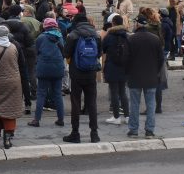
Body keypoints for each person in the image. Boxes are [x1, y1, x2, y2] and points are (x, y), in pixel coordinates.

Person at [63, 12, 103, 143]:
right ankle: (94, 133)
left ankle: (75, 133)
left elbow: (66, 52)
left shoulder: (73, 35)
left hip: (77, 73)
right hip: (91, 73)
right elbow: (99, 53)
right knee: (92, 103)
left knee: (75, 102)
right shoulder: (96, 35)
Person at [125, 14, 165, 138]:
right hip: (151, 76)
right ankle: (149, 130)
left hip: (135, 76)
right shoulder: (155, 39)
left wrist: (128, 73)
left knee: (134, 104)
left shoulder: (131, 39)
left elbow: (126, 59)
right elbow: (161, 59)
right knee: (151, 104)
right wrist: (155, 71)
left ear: (137, 24)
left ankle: (133, 130)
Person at [29, 18, 66, 127]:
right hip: (58, 67)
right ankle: (61, 119)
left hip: (44, 67)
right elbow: (63, 51)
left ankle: (36, 120)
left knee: (41, 93)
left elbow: (36, 51)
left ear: (45, 27)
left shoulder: (41, 38)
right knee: (58, 94)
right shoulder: (59, 37)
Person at [102, 15, 131, 125]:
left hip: (112, 66)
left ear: (113, 23)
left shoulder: (109, 36)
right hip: (124, 67)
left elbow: (103, 48)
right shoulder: (127, 36)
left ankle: (116, 116)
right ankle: (127, 116)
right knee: (123, 91)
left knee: (114, 92)